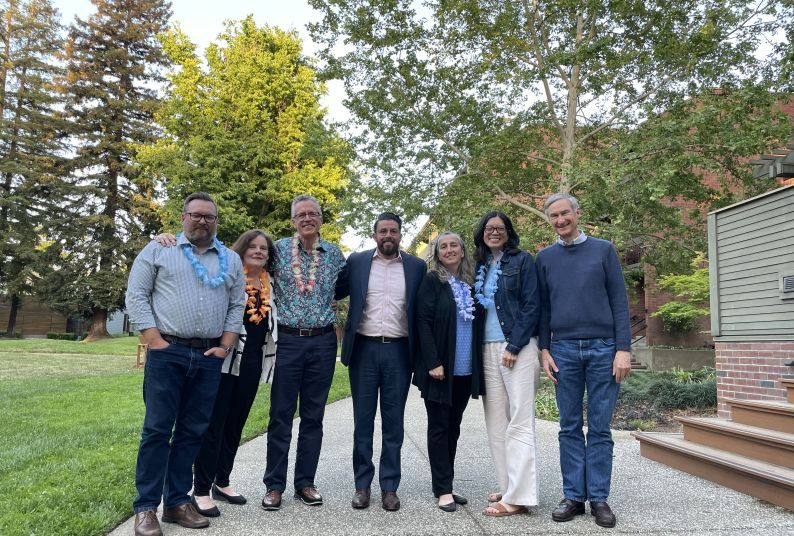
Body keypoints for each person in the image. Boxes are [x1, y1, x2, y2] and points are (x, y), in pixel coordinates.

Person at [126, 192, 245, 536]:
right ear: (183, 217)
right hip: (168, 353)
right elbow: (136, 295)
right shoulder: (160, 249)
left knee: (193, 432)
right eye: (195, 215)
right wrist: (155, 341)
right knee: (157, 430)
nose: (201, 221)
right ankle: (146, 508)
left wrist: (225, 345)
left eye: (208, 216)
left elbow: (237, 305)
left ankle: (177, 502)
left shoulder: (231, 260)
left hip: (208, 356)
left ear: (216, 222)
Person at [153, 229, 279, 516]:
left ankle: (222, 481)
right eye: (253, 247)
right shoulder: (229, 275)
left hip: (252, 362)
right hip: (224, 360)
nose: (259, 251)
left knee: (235, 423)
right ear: (242, 250)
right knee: (214, 425)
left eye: (264, 248)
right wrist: (164, 237)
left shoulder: (272, 283)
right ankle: (200, 489)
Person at [537, 192, 631, 529]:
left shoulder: (603, 250)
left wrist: (624, 349)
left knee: (601, 427)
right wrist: (544, 349)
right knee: (569, 426)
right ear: (549, 220)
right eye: (554, 216)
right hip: (562, 350)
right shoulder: (544, 258)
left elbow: (619, 300)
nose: (560, 220)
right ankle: (574, 496)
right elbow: (544, 308)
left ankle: (599, 498)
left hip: (604, 348)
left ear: (577, 213)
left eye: (565, 214)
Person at [261, 194, 347, 511]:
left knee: (313, 417)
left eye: (313, 213)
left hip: (323, 342)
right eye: (301, 214)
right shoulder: (278, 251)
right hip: (287, 341)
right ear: (293, 220)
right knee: (281, 416)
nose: (308, 218)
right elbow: (245, 263)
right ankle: (274, 486)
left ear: (321, 219)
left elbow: (345, 288)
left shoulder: (335, 255)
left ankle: (305, 483)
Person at [338, 212, 426, 511]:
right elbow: (334, 290)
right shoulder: (357, 262)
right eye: (383, 231)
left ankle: (390, 487)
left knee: (394, 424)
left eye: (394, 231)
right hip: (363, 349)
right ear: (374, 234)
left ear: (401, 234)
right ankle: (362, 485)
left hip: (399, 352)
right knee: (363, 422)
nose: (389, 235)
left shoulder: (416, 266)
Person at [473, 211, 541, 518]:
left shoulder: (523, 261)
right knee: (496, 422)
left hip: (518, 347)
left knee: (520, 420)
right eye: (489, 229)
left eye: (500, 228)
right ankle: (509, 486)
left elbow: (532, 304)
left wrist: (515, 344)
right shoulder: (480, 265)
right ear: (482, 234)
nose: (494, 233)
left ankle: (521, 496)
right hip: (487, 349)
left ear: (509, 232)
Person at [414, 231, 485, 512]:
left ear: (463, 250)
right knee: (439, 427)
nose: (449, 249)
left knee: (453, 428)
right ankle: (442, 489)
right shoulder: (433, 281)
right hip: (441, 369)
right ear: (437, 253)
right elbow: (422, 321)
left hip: (465, 370)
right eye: (443, 246)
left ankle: (448, 484)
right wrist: (433, 361)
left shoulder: (471, 283)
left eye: (454, 245)